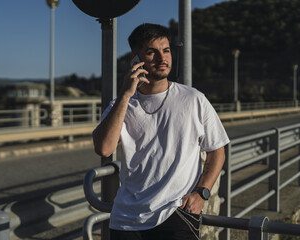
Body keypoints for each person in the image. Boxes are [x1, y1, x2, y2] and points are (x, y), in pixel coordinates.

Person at [92, 23, 230, 240]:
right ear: (135, 59)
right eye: (151, 52)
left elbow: (217, 151)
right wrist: (125, 95)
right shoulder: (120, 104)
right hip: (126, 221)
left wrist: (202, 193)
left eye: (166, 51)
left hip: (176, 214)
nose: (162, 58)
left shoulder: (193, 99)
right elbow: (104, 148)